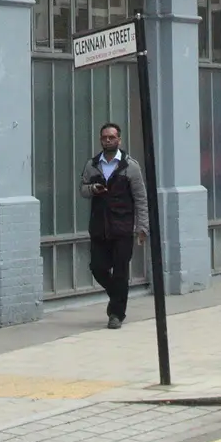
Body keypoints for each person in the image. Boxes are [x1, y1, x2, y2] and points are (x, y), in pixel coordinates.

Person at [79, 121, 148, 329]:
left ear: (119, 140)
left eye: (111, 137)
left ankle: (116, 314)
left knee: (120, 272)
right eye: (104, 138)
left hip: (122, 227)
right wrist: (92, 189)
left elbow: (141, 198)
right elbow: (82, 190)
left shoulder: (131, 166)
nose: (107, 140)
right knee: (98, 268)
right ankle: (116, 296)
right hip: (99, 227)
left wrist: (142, 227)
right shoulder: (92, 165)